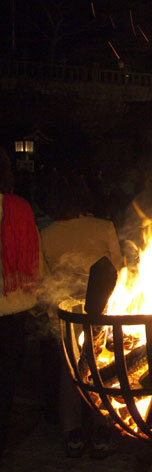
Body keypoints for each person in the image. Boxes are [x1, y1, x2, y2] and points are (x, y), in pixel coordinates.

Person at [38, 171, 124, 458]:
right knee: (101, 371)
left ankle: (73, 433)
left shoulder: (46, 235)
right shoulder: (104, 227)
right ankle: (101, 430)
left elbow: (42, 279)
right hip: (100, 311)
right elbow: (118, 269)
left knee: (71, 373)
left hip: (64, 315)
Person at [0, 148, 41, 458]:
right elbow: (32, 252)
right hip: (14, 305)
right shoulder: (20, 207)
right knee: (6, 379)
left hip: (13, 306)